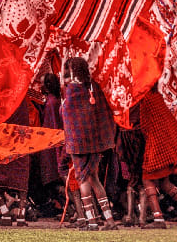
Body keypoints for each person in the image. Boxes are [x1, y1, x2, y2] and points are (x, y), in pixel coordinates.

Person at [61, 57, 117, 230]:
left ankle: (91, 221)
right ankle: (109, 221)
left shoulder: (71, 90)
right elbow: (102, 113)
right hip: (94, 142)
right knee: (94, 178)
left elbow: (66, 114)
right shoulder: (94, 88)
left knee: (82, 179)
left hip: (78, 143)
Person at [139, 84, 177, 229]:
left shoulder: (146, 100)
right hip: (166, 146)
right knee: (165, 183)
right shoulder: (158, 98)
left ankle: (158, 218)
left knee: (147, 179)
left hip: (156, 146)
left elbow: (144, 125)